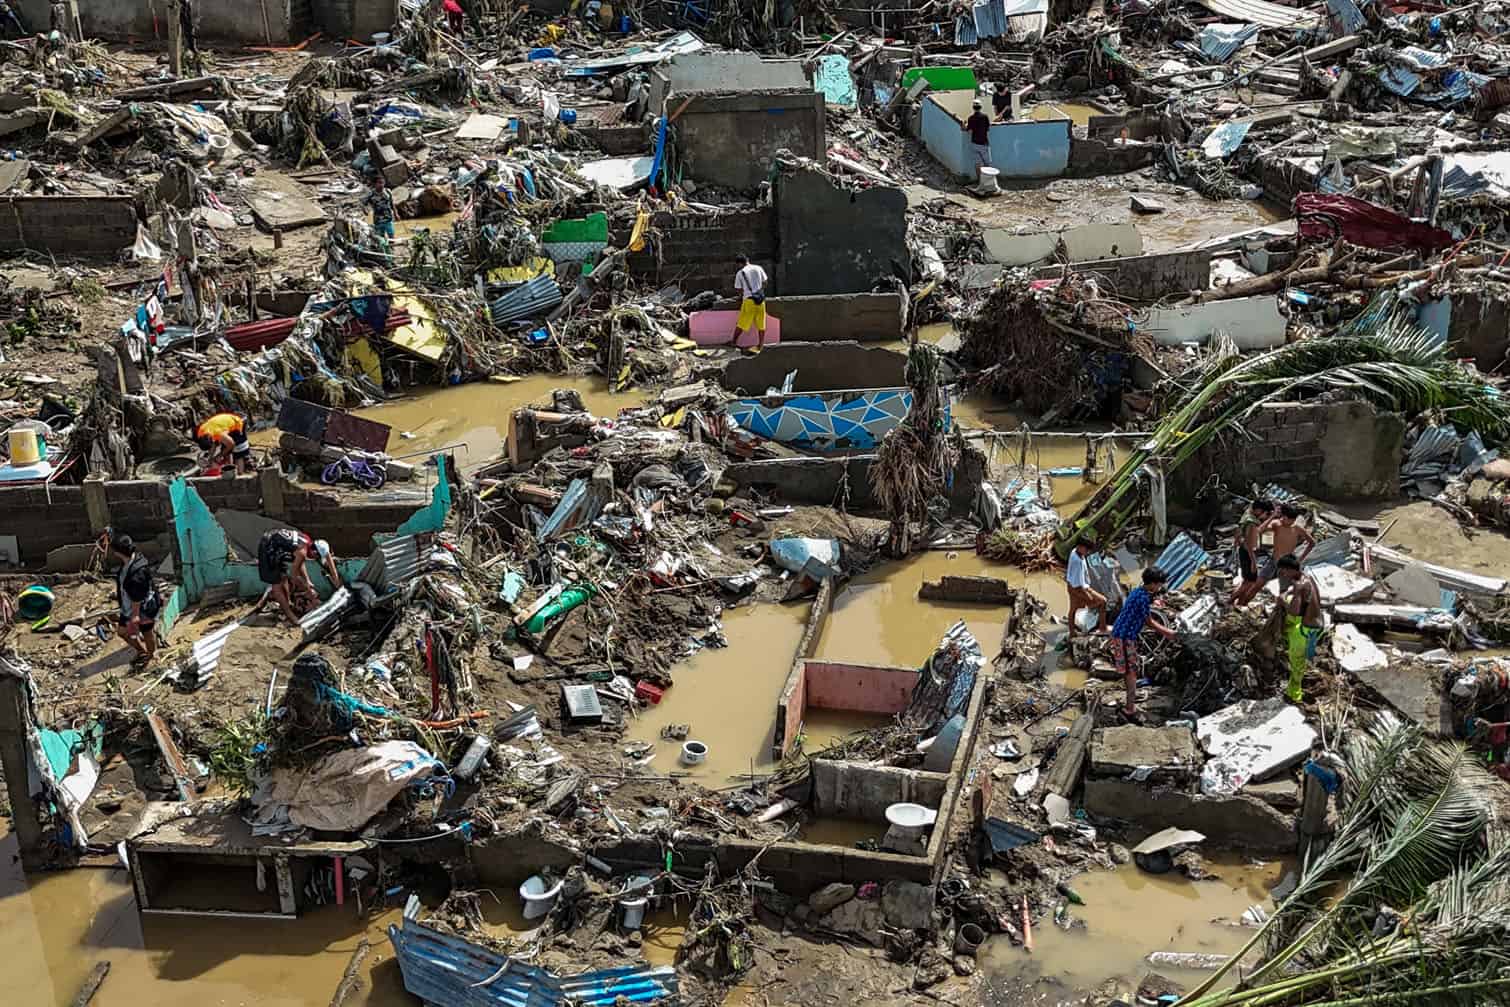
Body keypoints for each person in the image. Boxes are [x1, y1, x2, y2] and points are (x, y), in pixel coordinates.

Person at [1109, 566, 1177, 720]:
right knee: (1132, 672)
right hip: (1126, 637)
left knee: (1128, 670)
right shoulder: (1143, 598)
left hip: (1119, 633)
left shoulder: (1137, 591)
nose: (1160, 587)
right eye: (1159, 584)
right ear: (1152, 584)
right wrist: (1169, 633)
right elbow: (1150, 622)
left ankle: (1129, 703)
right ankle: (1129, 709)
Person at [257, 529, 341, 624]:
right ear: (314, 552)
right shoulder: (302, 552)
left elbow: (301, 564)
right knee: (277, 583)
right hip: (268, 546)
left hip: (277, 544)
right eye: (316, 557)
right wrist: (308, 590)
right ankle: (290, 615)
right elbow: (294, 576)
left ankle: (287, 604)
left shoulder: (307, 541)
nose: (314, 559)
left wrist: (308, 581)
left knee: (283, 576)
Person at [108, 533, 161, 667]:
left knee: (147, 633)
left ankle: (151, 655)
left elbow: (138, 597)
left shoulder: (137, 573)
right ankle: (142, 651)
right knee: (122, 632)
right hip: (128, 608)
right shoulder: (133, 560)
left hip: (142, 609)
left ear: (118, 553)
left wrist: (135, 616)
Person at [1277, 554, 1322, 704]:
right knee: (1298, 660)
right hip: (1316, 624)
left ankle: (1295, 696)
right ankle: (1292, 689)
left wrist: (1283, 600)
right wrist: (1289, 592)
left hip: (1305, 629)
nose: (1283, 575)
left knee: (1297, 663)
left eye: (1283, 571)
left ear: (1290, 570)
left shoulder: (1299, 586)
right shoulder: (1306, 578)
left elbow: (1293, 611)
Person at [1229, 497, 1276, 607]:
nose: (1265, 516)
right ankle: (1231, 602)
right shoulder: (1252, 523)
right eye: (1266, 513)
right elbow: (1250, 546)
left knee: (1246, 581)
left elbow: (1253, 531)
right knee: (1250, 582)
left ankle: (1237, 603)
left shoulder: (1248, 515)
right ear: (1259, 510)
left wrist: (1272, 516)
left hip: (1243, 551)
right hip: (1248, 553)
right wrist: (1254, 563)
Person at [1065, 537, 1107, 637]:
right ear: (1080, 547)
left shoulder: (1074, 551)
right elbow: (1079, 585)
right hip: (1078, 588)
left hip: (1071, 585)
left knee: (1073, 610)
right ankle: (1102, 628)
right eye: (1086, 549)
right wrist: (1088, 597)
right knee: (1102, 602)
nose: (1087, 552)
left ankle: (1072, 633)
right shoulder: (1078, 562)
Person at [731, 254, 769, 353]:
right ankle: (760, 345)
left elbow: (739, 289)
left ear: (739, 264)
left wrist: (740, 297)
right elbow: (765, 282)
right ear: (747, 260)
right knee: (761, 324)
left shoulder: (740, 273)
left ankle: (733, 341)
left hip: (749, 301)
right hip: (760, 300)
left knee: (742, 323)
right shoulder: (758, 268)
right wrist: (759, 292)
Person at [961, 99, 993, 185]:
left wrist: (963, 124)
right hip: (984, 143)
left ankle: (980, 182)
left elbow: (966, 129)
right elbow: (988, 129)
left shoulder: (971, 118)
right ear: (981, 107)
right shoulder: (985, 117)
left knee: (978, 164)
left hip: (974, 143)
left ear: (973, 108)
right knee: (987, 164)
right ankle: (989, 182)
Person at [364, 175, 396, 244]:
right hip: (378, 220)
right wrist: (365, 210)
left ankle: (392, 250)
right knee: (381, 239)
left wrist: (396, 213)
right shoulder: (371, 194)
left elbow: (392, 203)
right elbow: (363, 203)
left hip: (388, 218)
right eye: (379, 183)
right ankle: (385, 252)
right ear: (375, 184)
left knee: (392, 236)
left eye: (383, 183)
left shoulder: (388, 191)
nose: (381, 185)